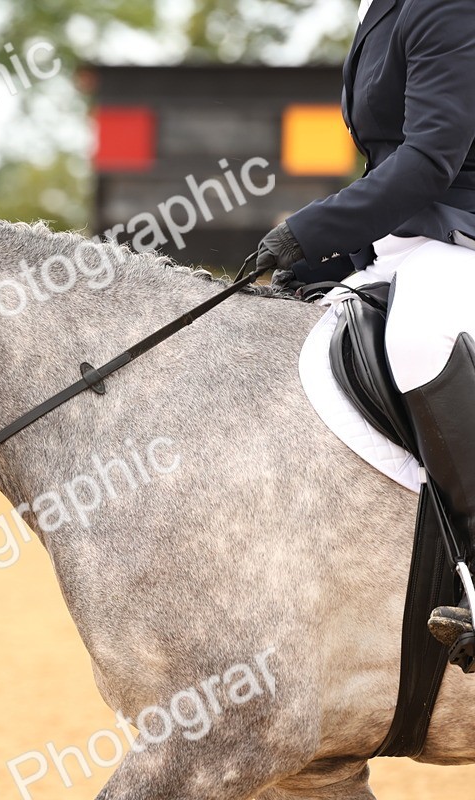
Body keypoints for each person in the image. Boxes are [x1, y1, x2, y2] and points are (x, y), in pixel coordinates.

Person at [255, 0, 475, 670]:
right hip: (409, 242)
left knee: (418, 336)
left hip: (460, 237)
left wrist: (315, 227)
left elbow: (432, 156)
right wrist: (334, 257)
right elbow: (386, 160)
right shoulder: (378, 7)